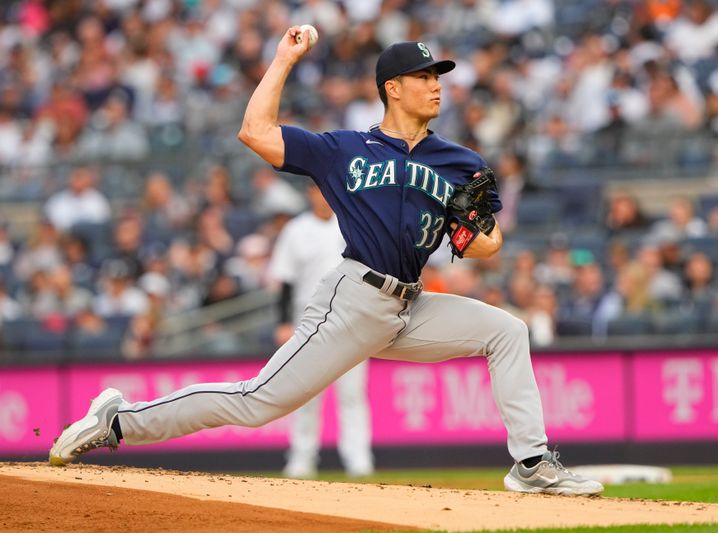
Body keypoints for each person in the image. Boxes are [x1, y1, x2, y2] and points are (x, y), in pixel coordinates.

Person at [49, 28, 602, 497]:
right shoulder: (346, 149)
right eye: (425, 76)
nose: (437, 86)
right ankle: (118, 419)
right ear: (393, 88)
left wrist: (466, 222)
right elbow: (254, 132)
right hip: (354, 299)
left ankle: (531, 464)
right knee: (257, 403)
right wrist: (285, 59)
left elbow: (489, 244)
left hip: (410, 305)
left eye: (439, 76)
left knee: (507, 330)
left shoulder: (459, 161)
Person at [272, 183, 374, 479]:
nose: (322, 196)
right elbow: (285, 281)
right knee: (305, 392)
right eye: (316, 190)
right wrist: (282, 322)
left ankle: (359, 458)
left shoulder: (353, 223)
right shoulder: (296, 229)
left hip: (352, 316)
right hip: (309, 318)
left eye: (326, 190)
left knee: (352, 394)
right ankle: (301, 458)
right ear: (309, 194)